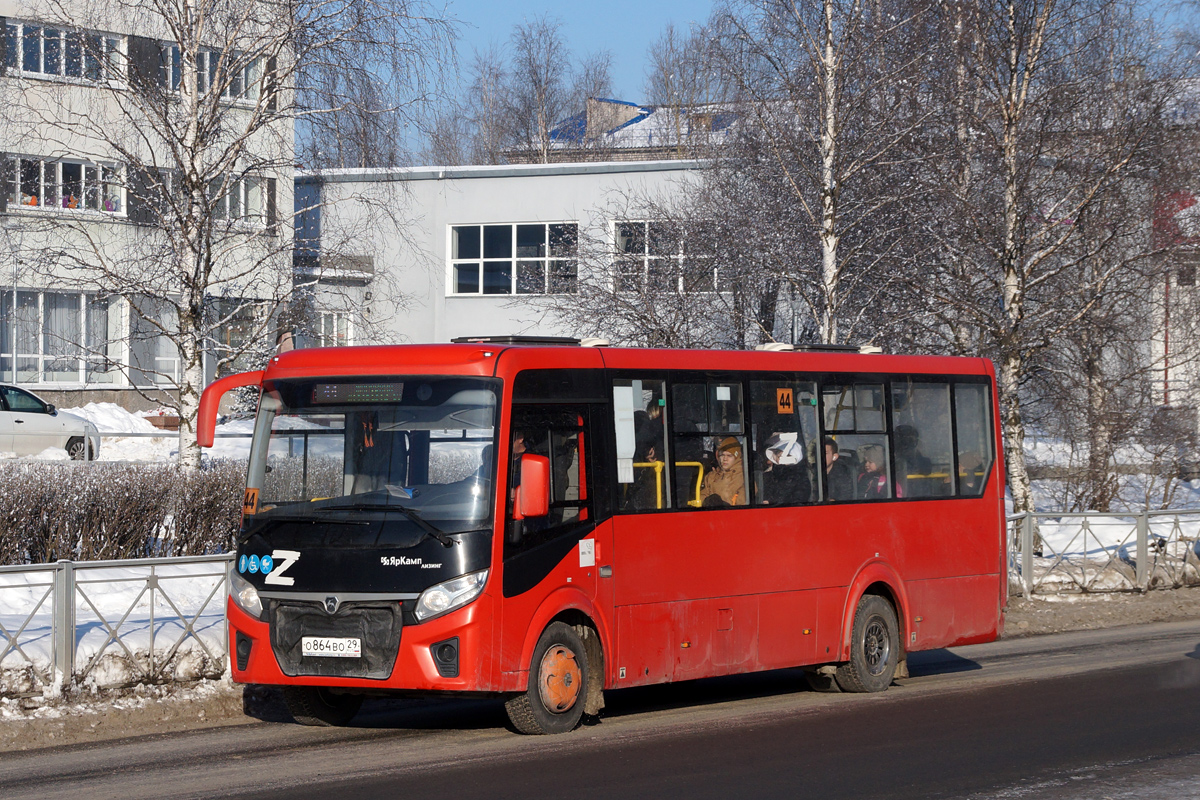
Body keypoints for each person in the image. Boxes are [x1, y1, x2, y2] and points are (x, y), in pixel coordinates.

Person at [762, 432, 811, 505]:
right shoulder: (770, 475)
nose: (778, 459)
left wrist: (772, 502)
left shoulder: (800, 478)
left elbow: (798, 502)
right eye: (777, 456)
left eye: (781, 456)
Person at [699, 437, 746, 507]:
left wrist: (722, 505)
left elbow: (743, 504)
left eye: (729, 456)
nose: (725, 459)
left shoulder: (744, 477)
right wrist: (708, 502)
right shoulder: (711, 476)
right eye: (722, 455)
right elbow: (701, 497)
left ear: (737, 457)